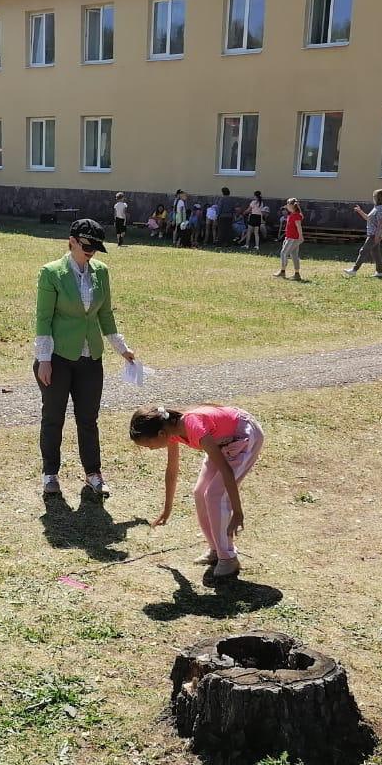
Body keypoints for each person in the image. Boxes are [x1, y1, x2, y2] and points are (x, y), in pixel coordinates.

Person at [35, 218, 138, 497]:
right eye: (86, 246)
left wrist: (122, 348)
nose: (90, 252)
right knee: (53, 417)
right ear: (71, 241)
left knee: (88, 419)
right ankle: (50, 474)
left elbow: (105, 314)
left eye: (95, 248)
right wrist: (44, 359)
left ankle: (93, 473)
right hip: (57, 357)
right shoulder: (51, 273)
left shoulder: (101, 272)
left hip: (90, 357)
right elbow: (43, 318)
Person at [130, 404, 265, 581]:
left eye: (148, 444)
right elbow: (172, 470)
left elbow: (226, 470)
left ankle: (228, 558)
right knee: (200, 492)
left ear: (161, 434)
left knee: (215, 495)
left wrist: (238, 512)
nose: (150, 449)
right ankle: (216, 549)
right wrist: (167, 510)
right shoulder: (170, 431)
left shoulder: (194, 427)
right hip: (221, 442)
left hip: (244, 436)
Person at [346, 189, 382, 278]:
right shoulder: (376, 208)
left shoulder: (380, 208)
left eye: (374, 196)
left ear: (378, 198)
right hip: (373, 234)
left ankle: (354, 270)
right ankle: (380, 272)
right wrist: (360, 211)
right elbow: (368, 218)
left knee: (363, 251)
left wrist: (377, 236)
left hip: (374, 235)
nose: (373, 198)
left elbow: (380, 223)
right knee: (376, 253)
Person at [274, 198, 304, 281]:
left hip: (293, 239)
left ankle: (282, 271)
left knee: (284, 253)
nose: (286, 206)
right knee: (294, 255)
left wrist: (301, 237)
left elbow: (299, 226)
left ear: (292, 206)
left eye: (288, 204)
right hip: (290, 238)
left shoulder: (296, 215)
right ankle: (297, 274)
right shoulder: (292, 214)